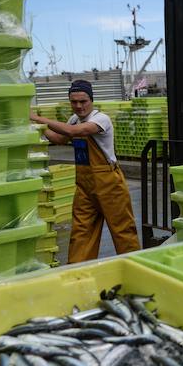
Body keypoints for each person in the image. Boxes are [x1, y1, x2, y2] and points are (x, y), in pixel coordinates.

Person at [30, 80, 140, 263]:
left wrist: (38, 118)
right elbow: (59, 139)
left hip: (109, 184)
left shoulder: (100, 119)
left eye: (83, 101)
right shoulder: (74, 119)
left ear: (92, 100)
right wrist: (38, 128)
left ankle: (135, 266)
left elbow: (73, 132)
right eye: (74, 102)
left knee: (122, 230)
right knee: (81, 231)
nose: (79, 106)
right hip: (85, 186)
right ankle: (77, 272)